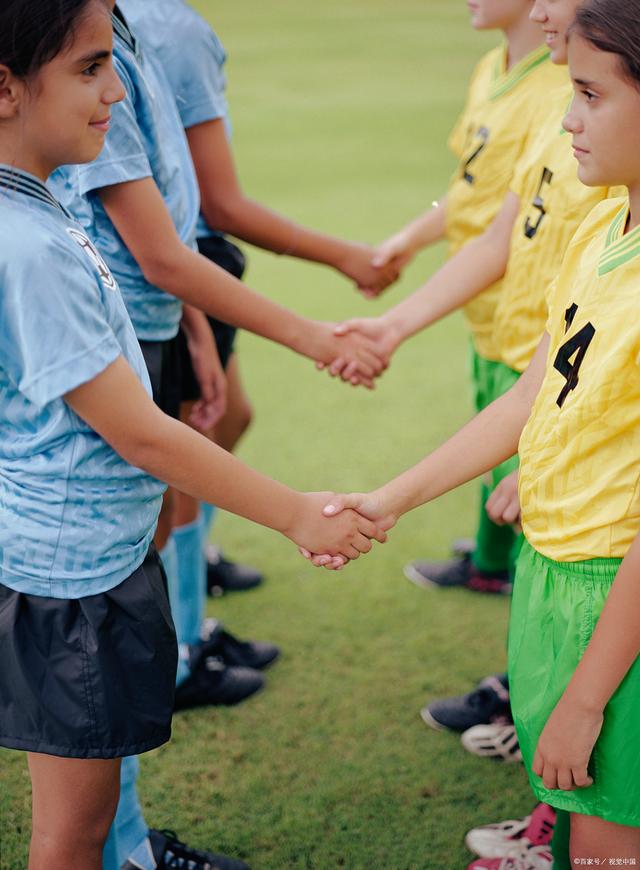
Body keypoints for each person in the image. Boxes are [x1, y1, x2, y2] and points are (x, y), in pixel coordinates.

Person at [0, 4, 387, 868]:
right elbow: (141, 436)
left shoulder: (37, 206)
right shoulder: (26, 244)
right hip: (71, 580)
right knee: (73, 832)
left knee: (85, 820)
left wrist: (197, 332)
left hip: (81, 560)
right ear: (6, 89)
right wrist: (294, 513)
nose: (116, 91)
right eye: (90, 69)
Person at [316, 0, 640, 859]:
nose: (567, 117)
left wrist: (584, 700)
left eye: (591, 95)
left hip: (614, 596)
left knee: (610, 843)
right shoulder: (608, 228)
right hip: (557, 571)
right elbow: (533, 395)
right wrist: (387, 501)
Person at [119, 0, 400, 601]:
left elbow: (173, 222)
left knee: (210, 434)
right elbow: (203, 219)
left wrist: (193, 322)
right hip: (145, 300)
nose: (105, 93)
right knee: (170, 481)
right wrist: (322, 319)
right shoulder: (161, 32)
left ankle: (188, 599)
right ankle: (187, 643)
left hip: (173, 290)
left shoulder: (129, 27)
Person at [353, 0, 565, 594]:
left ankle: (502, 583)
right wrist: (411, 242)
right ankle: (491, 567)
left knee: (535, 493)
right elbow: (484, 202)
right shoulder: (494, 71)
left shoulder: (569, 99)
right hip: (487, 308)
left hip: (544, 334)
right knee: (498, 452)